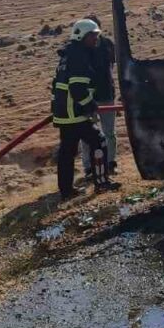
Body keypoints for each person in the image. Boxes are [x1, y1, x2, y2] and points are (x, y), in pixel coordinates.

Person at [51, 19, 118, 198]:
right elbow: (78, 89)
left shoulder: (70, 53)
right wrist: (91, 106)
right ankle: (102, 183)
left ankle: (66, 191)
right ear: (81, 36)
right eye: (93, 36)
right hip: (74, 112)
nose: (96, 39)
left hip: (63, 112)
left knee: (67, 151)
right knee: (99, 141)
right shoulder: (79, 57)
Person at [81, 15, 118, 180]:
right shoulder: (82, 48)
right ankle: (89, 167)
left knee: (109, 132)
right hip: (88, 97)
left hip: (106, 94)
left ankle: (110, 163)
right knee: (88, 134)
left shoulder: (108, 44)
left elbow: (114, 64)